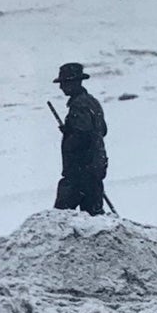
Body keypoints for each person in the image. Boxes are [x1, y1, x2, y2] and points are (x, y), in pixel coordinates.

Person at [52, 63, 109, 214]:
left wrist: (70, 134)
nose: (61, 87)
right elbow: (102, 130)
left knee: (60, 217)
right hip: (95, 168)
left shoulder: (79, 105)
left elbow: (82, 136)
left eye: (64, 83)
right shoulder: (92, 102)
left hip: (80, 171)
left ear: (74, 83)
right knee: (94, 217)